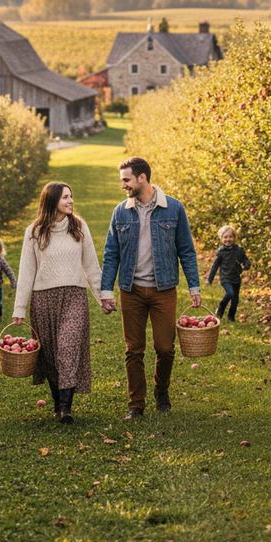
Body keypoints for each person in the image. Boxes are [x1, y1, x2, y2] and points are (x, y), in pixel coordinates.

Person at [101, 157, 201, 419]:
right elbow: (111, 253)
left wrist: (194, 286)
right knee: (133, 349)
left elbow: (187, 251)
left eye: (126, 179)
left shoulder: (173, 208)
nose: (122, 185)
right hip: (131, 290)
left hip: (163, 289)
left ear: (142, 178)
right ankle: (136, 404)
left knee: (165, 347)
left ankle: (161, 390)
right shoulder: (120, 212)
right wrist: (106, 290)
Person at [12, 182, 109, 424]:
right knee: (51, 354)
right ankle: (57, 402)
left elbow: (91, 266)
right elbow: (26, 270)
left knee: (68, 347)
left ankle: (66, 408)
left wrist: (103, 297)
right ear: (52, 200)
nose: (70, 201)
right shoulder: (35, 231)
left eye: (71, 197)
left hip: (74, 296)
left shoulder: (78, 226)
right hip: (44, 298)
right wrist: (20, 308)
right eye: (65, 197)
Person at [206, 225, 251, 323]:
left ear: (234, 237)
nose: (228, 239)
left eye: (230, 237)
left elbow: (245, 260)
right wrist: (210, 279)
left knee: (235, 300)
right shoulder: (221, 252)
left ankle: (231, 317)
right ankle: (220, 309)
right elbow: (215, 266)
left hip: (236, 278)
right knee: (230, 293)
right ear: (221, 239)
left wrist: (246, 265)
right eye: (225, 237)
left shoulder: (238, 250)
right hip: (225, 278)